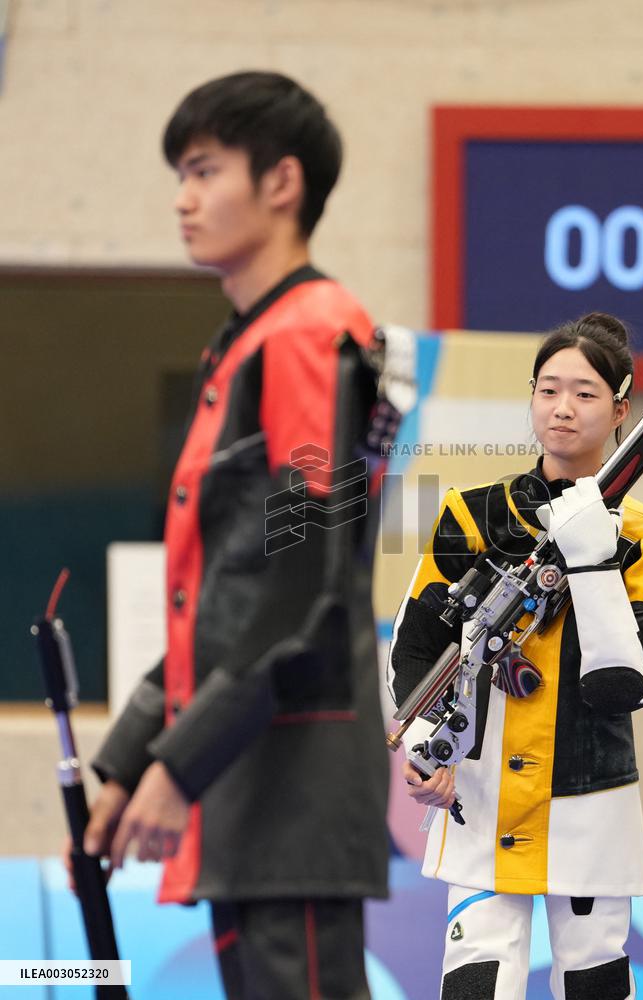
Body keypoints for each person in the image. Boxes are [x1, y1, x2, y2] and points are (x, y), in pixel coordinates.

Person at [67, 71, 389, 1000]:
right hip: (252, 784)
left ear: (281, 183)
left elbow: (307, 584)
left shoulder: (308, 334)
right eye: (180, 174)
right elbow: (226, 599)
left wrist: (179, 761)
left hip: (291, 786)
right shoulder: (249, 341)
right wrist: (131, 763)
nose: (183, 198)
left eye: (204, 170)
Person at [387, 313, 643, 1000]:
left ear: (621, 411)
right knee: (475, 979)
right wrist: (430, 741)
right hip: (480, 789)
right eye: (548, 388)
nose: (562, 408)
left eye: (584, 393)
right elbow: (416, 645)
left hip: (590, 799)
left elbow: (633, 683)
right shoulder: (471, 514)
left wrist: (590, 562)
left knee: (593, 978)